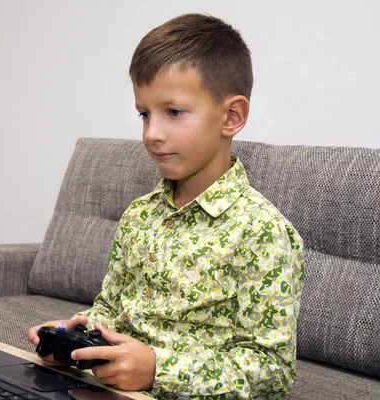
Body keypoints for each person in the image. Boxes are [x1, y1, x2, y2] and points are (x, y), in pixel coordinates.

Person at [28, 13, 304, 399]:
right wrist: (77, 337)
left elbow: (271, 371)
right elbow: (111, 308)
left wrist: (158, 370)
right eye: (145, 114)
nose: (152, 133)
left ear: (231, 116)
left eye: (173, 112)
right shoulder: (139, 215)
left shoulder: (263, 233)